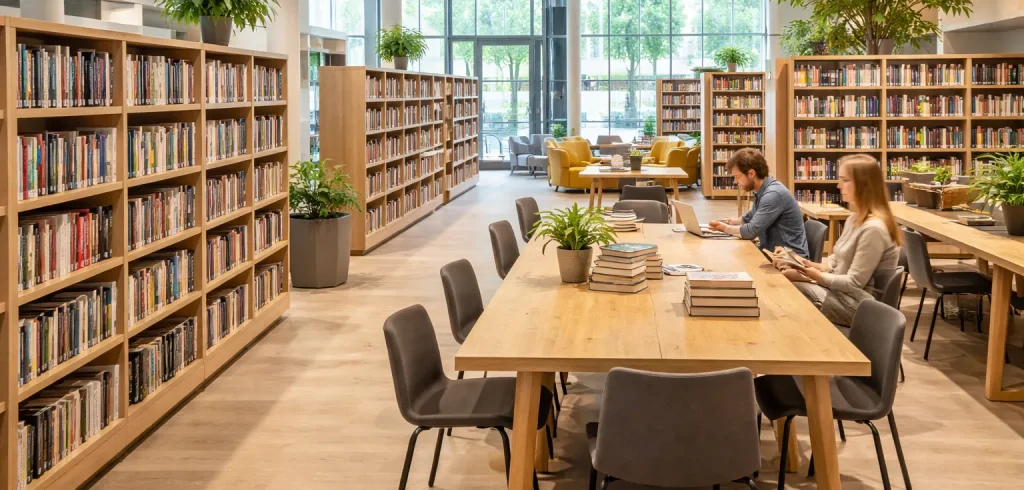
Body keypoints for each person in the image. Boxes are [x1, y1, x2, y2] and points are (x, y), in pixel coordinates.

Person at [775, 154, 902, 326]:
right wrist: (803, 263)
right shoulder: (853, 219)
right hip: (842, 294)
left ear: (863, 184)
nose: (838, 185)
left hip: (860, 306)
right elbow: (834, 265)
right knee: (785, 283)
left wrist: (817, 277)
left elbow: (855, 283)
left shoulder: (873, 229)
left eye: (844, 180)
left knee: (786, 292)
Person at [708, 149, 809, 258]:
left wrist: (724, 228)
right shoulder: (764, 190)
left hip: (790, 260)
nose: (735, 182)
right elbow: (751, 217)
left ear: (751, 173)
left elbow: (751, 231)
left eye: (737, 177)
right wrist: (728, 221)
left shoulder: (773, 194)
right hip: (775, 254)